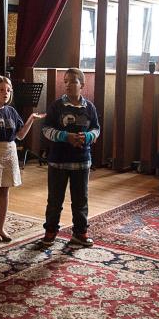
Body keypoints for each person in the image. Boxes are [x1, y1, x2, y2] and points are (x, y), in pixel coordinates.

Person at [39, 68, 100, 248]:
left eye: (73, 81)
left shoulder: (90, 107)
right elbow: (46, 130)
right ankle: (50, 231)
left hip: (81, 161)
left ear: (82, 85)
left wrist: (87, 137)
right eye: (65, 81)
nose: (68, 84)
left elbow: (96, 129)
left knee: (81, 199)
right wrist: (66, 137)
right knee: (55, 200)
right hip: (58, 161)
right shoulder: (56, 106)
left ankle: (80, 233)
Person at [0, 75, 41, 242]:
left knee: (5, 190)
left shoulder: (12, 111)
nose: (5, 93)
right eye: (1, 90)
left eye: (8, 90)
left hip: (10, 150)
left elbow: (20, 135)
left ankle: (1, 227)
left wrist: (31, 120)